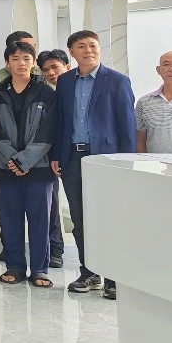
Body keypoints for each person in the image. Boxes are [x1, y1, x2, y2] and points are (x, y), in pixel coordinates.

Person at [50, 30, 135, 300]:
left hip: (106, 160)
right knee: (80, 218)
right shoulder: (65, 81)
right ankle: (89, 272)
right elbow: (60, 120)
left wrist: (126, 161)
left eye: (93, 45)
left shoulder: (117, 81)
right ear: (71, 52)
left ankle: (113, 277)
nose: (88, 50)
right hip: (72, 158)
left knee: (108, 218)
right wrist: (57, 154)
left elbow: (128, 125)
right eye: (81, 46)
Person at [0, 41, 57, 288]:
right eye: (15, 59)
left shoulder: (47, 93)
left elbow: (48, 130)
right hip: (6, 168)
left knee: (40, 221)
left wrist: (24, 160)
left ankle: (39, 269)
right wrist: (13, 159)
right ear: (7, 63)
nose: (21, 63)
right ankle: (15, 266)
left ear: (34, 63)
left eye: (26, 58)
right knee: (9, 220)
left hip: (39, 169)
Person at [35, 48, 70, 268]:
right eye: (46, 70)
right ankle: (55, 247)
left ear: (67, 66)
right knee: (52, 202)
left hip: (77, 154)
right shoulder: (46, 94)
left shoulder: (75, 91)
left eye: (55, 67)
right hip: (52, 156)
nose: (51, 73)